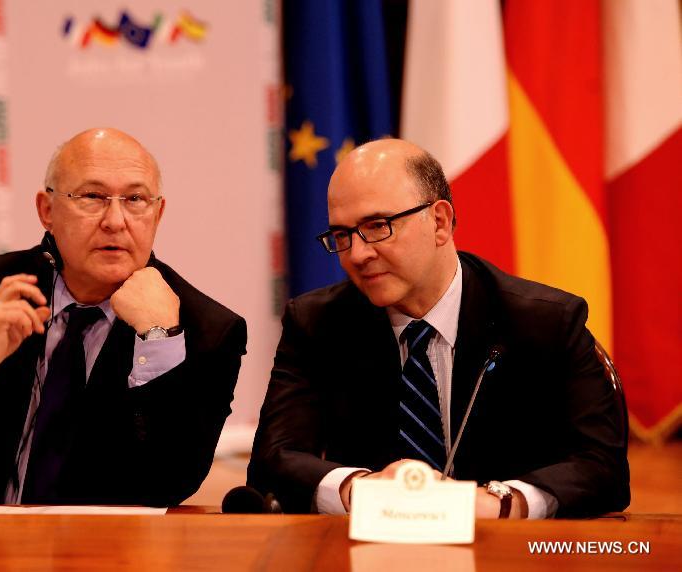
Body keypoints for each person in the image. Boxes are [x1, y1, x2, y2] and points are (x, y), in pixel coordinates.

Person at [0, 128, 247, 506]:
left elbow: (173, 482)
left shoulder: (204, 328)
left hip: (112, 557)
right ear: (46, 209)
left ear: (157, 215)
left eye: (136, 200)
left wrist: (159, 344)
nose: (116, 221)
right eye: (92, 196)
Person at [247, 138, 629, 518]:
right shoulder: (317, 323)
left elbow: (603, 469)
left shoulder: (545, 322)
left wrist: (499, 503)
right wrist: (357, 489)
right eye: (343, 235)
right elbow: (272, 461)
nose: (357, 254)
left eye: (377, 225)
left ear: (440, 222)